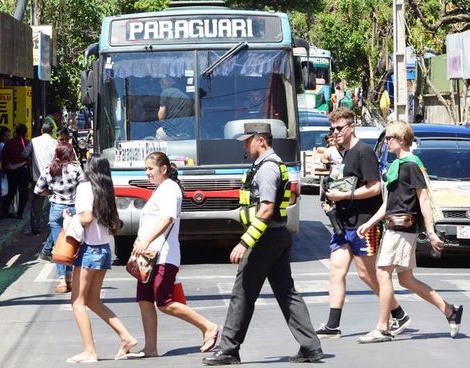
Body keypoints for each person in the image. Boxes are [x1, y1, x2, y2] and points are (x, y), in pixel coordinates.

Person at [203, 123, 323, 365]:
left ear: (261, 140)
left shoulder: (268, 169)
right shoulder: (269, 164)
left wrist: (244, 242)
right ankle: (311, 346)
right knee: (286, 293)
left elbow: (266, 209)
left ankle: (228, 349)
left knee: (243, 293)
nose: (245, 147)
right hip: (277, 236)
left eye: (248, 141)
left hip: (264, 238)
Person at [356, 120, 463, 343]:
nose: (386, 142)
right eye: (386, 138)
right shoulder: (396, 167)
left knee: (383, 273)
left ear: (402, 140)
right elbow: (389, 203)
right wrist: (370, 223)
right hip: (393, 225)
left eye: (390, 138)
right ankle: (450, 311)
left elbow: (424, 199)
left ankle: (382, 328)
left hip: (402, 228)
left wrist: (431, 231)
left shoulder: (411, 165)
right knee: (405, 280)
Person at [315, 108, 409, 339]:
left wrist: (345, 196)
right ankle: (333, 324)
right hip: (343, 223)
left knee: (367, 275)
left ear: (351, 127)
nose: (335, 133)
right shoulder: (343, 153)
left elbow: (375, 187)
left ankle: (398, 313)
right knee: (336, 271)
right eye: (333, 129)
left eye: (339, 128)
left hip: (364, 223)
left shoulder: (364, 152)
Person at [127, 152, 220, 359]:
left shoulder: (170, 189)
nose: (147, 173)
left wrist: (146, 240)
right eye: (146, 169)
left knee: (165, 302)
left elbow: (167, 219)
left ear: (164, 169)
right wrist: (139, 241)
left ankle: (209, 327)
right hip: (149, 256)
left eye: (150, 169)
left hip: (164, 255)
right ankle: (150, 348)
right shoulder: (161, 190)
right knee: (144, 299)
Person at [63, 154, 138, 363]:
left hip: (89, 250)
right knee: (93, 301)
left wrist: (70, 219)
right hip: (104, 249)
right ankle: (126, 337)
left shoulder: (85, 188)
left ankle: (90, 350)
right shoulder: (106, 190)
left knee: (77, 302)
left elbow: (86, 218)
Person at [34, 142, 83, 293]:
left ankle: (62, 281)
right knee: (73, 244)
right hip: (74, 210)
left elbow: (38, 190)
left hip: (56, 210)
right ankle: (70, 277)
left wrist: (51, 194)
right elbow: (85, 188)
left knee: (59, 247)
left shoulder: (48, 170)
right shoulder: (76, 169)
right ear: (69, 154)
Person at [23, 120, 57, 235]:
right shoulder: (55, 142)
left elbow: (24, 154)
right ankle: (54, 225)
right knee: (55, 201)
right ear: (52, 132)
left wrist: (33, 159)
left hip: (37, 178)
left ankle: (35, 227)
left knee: (37, 203)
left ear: (41, 130)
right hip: (53, 177)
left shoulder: (34, 141)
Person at [1, 124, 31, 219]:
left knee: (10, 192)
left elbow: (4, 157)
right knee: (23, 192)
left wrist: (4, 169)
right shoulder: (27, 142)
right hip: (23, 170)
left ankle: (4, 211)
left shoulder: (9, 143)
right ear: (25, 133)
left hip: (10, 171)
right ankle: (20, 213)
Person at [156, 76, 195, 140]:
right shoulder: (186, 96)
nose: (160, 82)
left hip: (170, 133)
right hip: (187, 133)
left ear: (172, 81)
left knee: (159, 133)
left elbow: (161, 117)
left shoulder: (166, 92)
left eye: (163, 80)